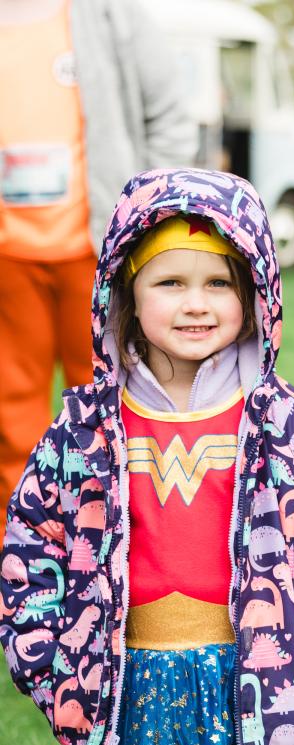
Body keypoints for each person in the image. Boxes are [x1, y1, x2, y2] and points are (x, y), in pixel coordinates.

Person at [0, 169, 294, 745]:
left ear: (255, 292)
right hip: (125, 701)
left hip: (262, 696)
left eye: (218, 283)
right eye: (170, 282)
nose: (196, 303)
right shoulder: (85, 433)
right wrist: (55, 671)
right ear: (125, 291)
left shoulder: (291, 428)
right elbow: (31, 551)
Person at [0, 0, 196, 502]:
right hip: (8, 258)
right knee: (9, 420)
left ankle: (112, 532)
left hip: (100, 251)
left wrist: (148, 214)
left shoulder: (111, 13)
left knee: (112, 411)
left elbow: (170, 116)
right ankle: (18, 540)